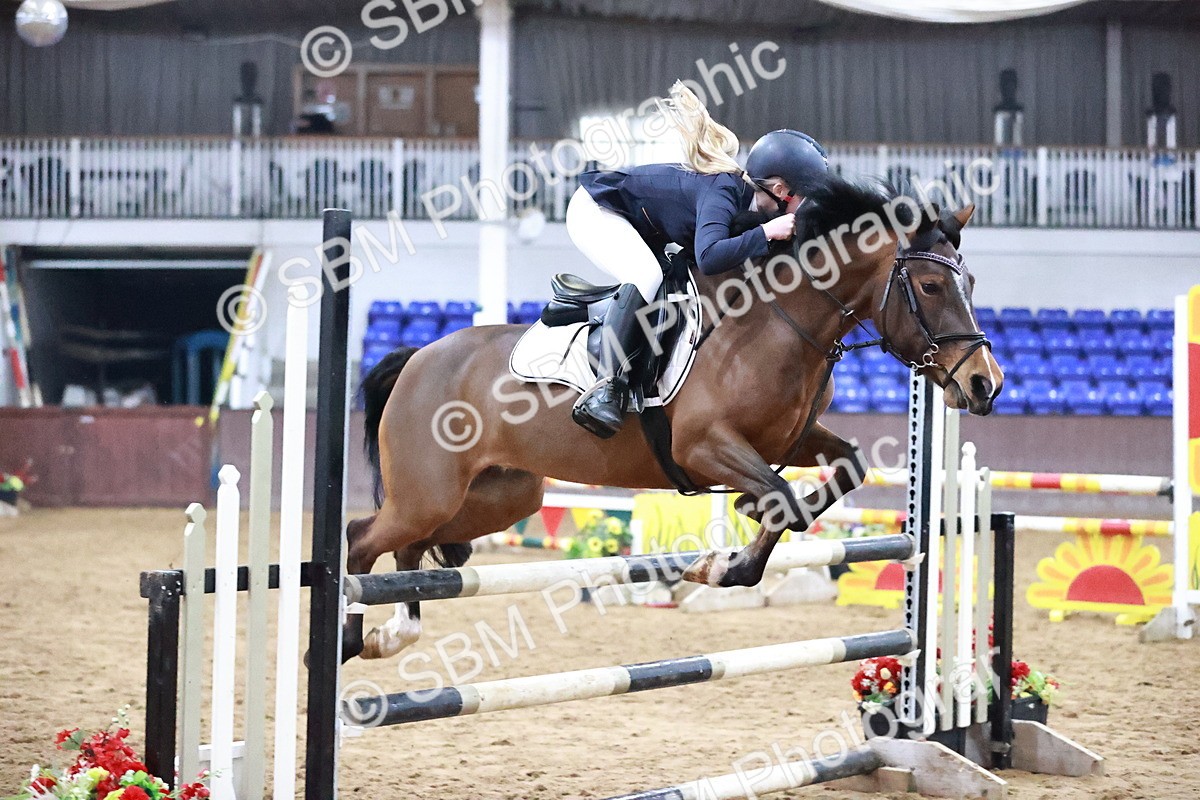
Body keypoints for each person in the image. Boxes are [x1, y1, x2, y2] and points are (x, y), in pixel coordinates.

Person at [566, 82, 829, 439]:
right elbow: (708, 257)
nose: (805, 208)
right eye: (804, 198)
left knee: (665, 280)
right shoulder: (723, 190)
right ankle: (607, 387)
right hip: (595, 209)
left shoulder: (750, 205)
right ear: (781, 191)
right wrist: (767, 233)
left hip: (641, 225)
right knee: (647, 275)